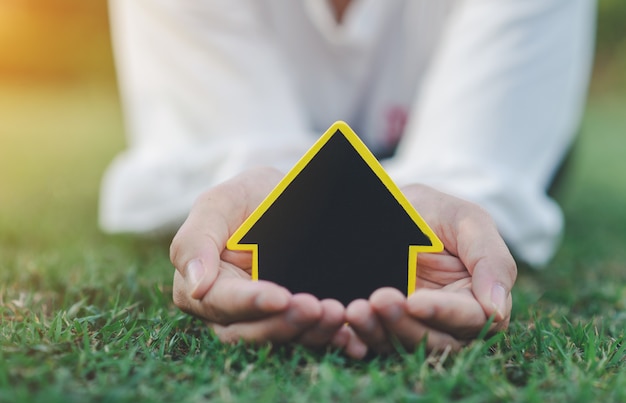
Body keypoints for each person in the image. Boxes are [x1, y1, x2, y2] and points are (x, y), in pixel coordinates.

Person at [100, 0, 596, 358]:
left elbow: (478, 163)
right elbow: (223, 143)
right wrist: (251, 194)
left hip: (454, 141)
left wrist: (452, 207)